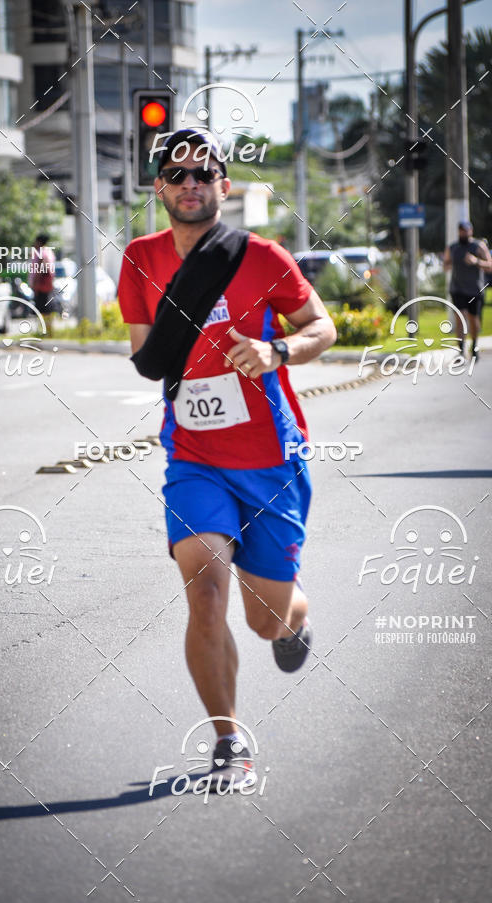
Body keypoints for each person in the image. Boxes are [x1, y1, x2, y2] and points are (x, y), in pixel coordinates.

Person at [117, 129, 337, 790]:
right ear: (158, 187)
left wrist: (277, 352)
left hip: (271, 459)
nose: (190, 184)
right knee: (205, 592)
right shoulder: (139, 259)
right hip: (193, 457)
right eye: (175, 174)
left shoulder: (263, 257)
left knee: (265, 619)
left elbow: (323, 326)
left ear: (224, 185)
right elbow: (147, 355)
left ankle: (294, 614)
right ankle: (229, 740)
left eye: (202, 173)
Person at [444, 220, 492, 360]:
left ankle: (475, 346)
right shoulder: (452, 247)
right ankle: (461, 350)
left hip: (475, 290)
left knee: (473, 319)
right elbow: (446, 265)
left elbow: (490, 266)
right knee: (461, 317)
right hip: (457, 289)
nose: (464, 233)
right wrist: (447, 264)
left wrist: (476, 261)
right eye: (461, 230)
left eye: (466, 230)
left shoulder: (478, 246)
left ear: (471, 231)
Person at [30, 233, 57, 334]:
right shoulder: (48, 252)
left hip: (41, 286)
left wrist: (36, 285)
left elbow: (40, 270)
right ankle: (48, 331)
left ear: (39, 242)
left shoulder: (41, 253)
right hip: (47, 285)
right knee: (46, 309)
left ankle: (45, 331)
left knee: (43, 310)